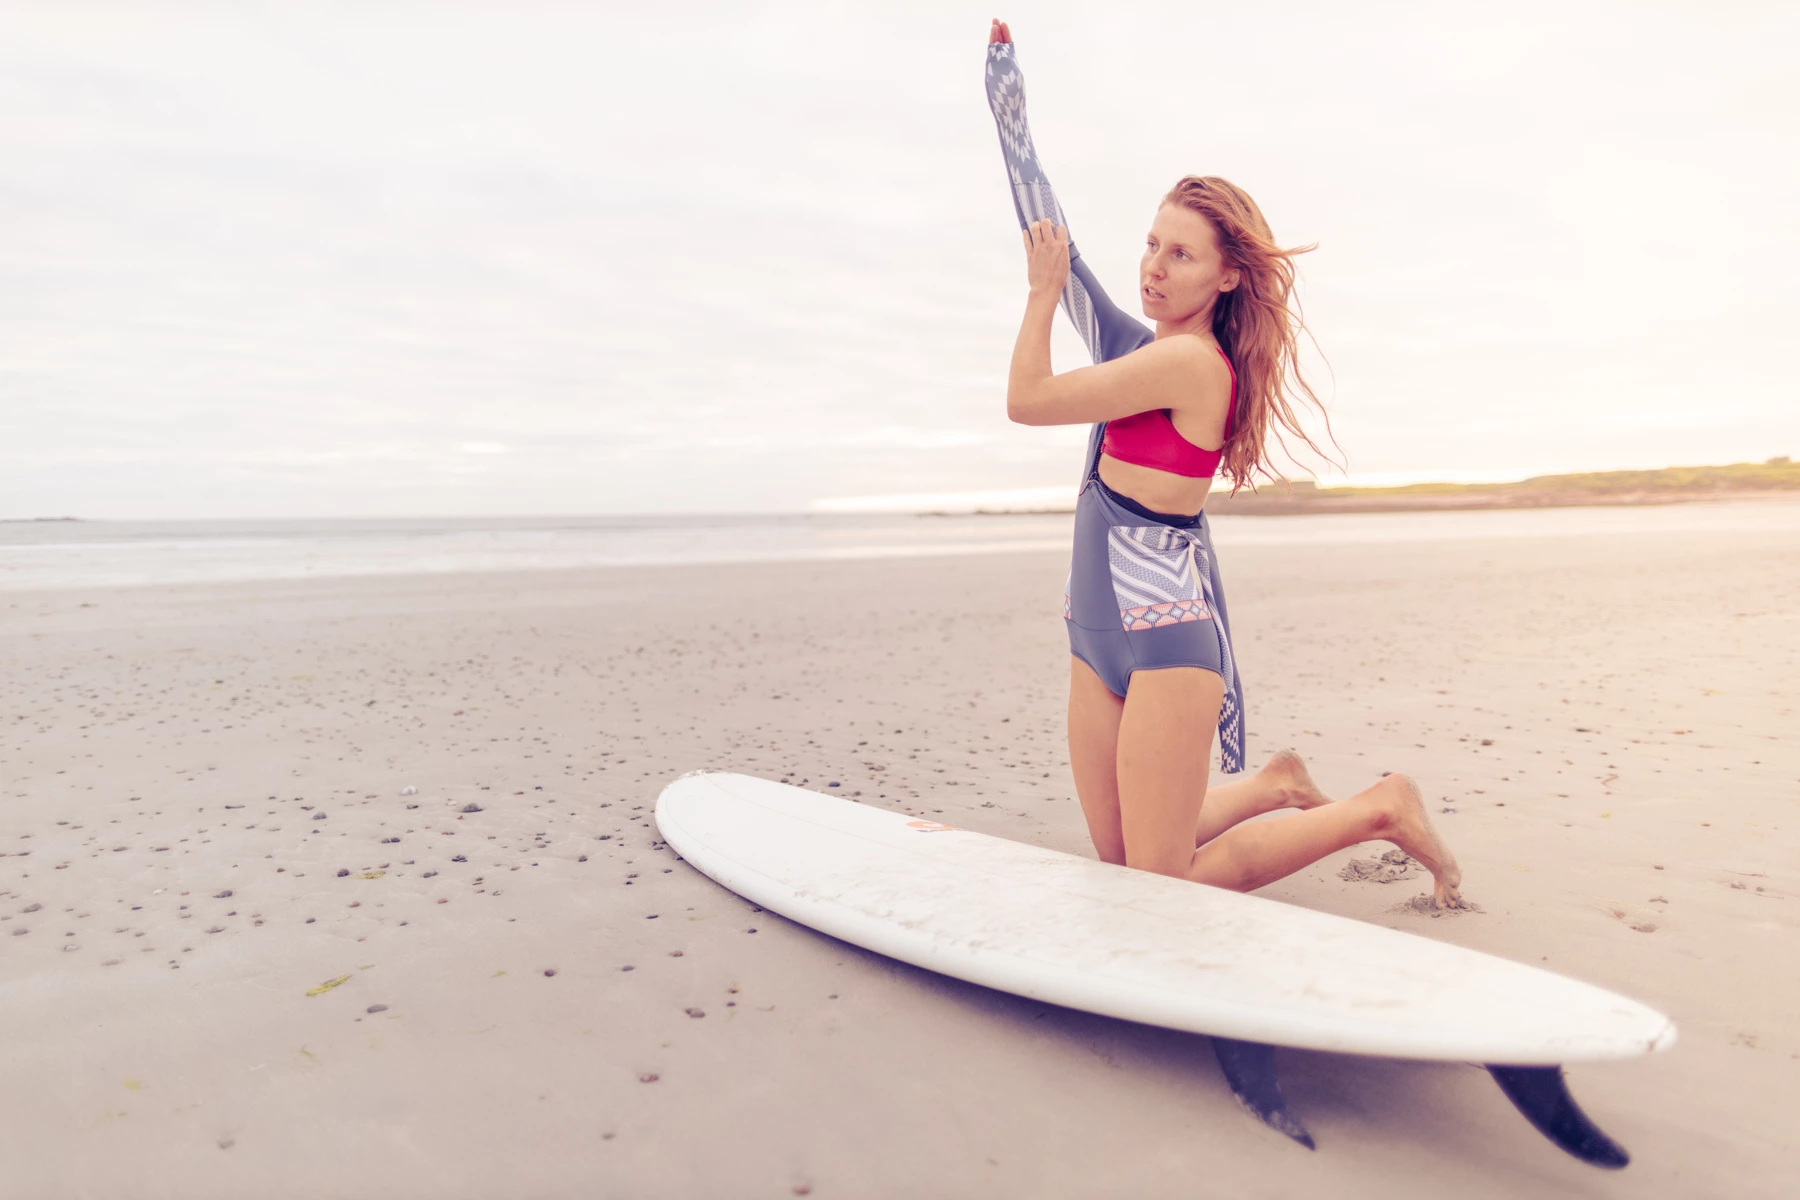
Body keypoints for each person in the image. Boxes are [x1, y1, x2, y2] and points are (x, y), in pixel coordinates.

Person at [985, 19, 1463, 906]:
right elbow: (1056, 233)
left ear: (1226, 276)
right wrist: (1006, 100)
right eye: (1152, 244)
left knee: (1164, 882)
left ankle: (1380, 808)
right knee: (1125, 859)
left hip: (1167, 645)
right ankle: (1274, 781)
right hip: (1094, 640)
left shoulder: (1186, 365)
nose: (1154, 268)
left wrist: (1040, 297)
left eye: (1181, 254)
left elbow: (1028, 400)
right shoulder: (1142, 346)